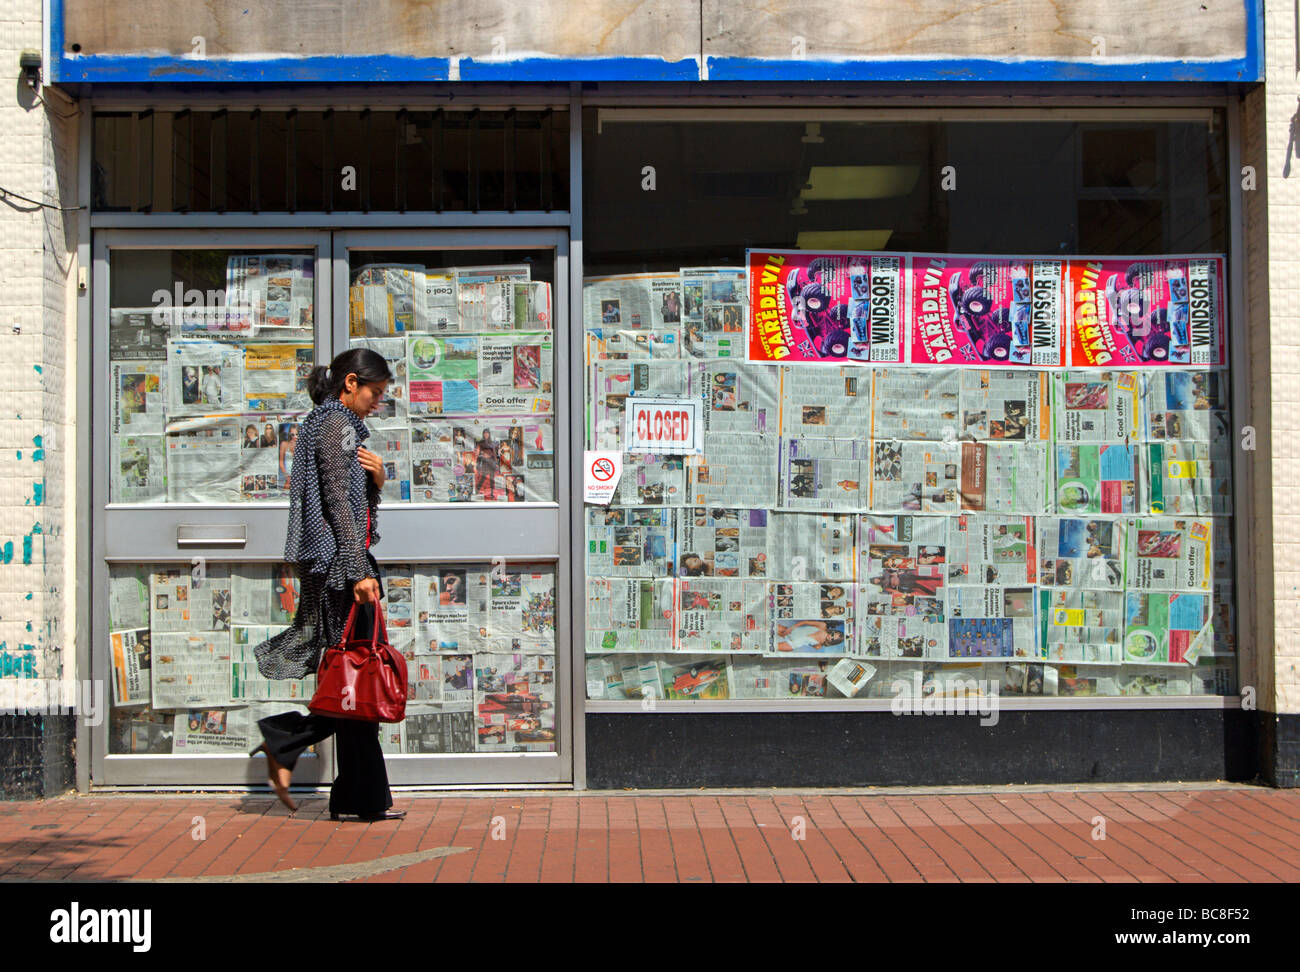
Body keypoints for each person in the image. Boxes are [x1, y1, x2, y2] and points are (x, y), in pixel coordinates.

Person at [250, 348, 406, 823]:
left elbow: (348, 495)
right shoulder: (336, 425)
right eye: (375, 393)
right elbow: (341, 504)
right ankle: (285, 740)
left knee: (356, 675)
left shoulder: (325, 421)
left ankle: (357, 799)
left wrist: (378, 477)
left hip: (334, 565)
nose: (378, 403)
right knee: (359, 671)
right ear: (351, 383)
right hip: (343, 569)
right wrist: (359, 571)